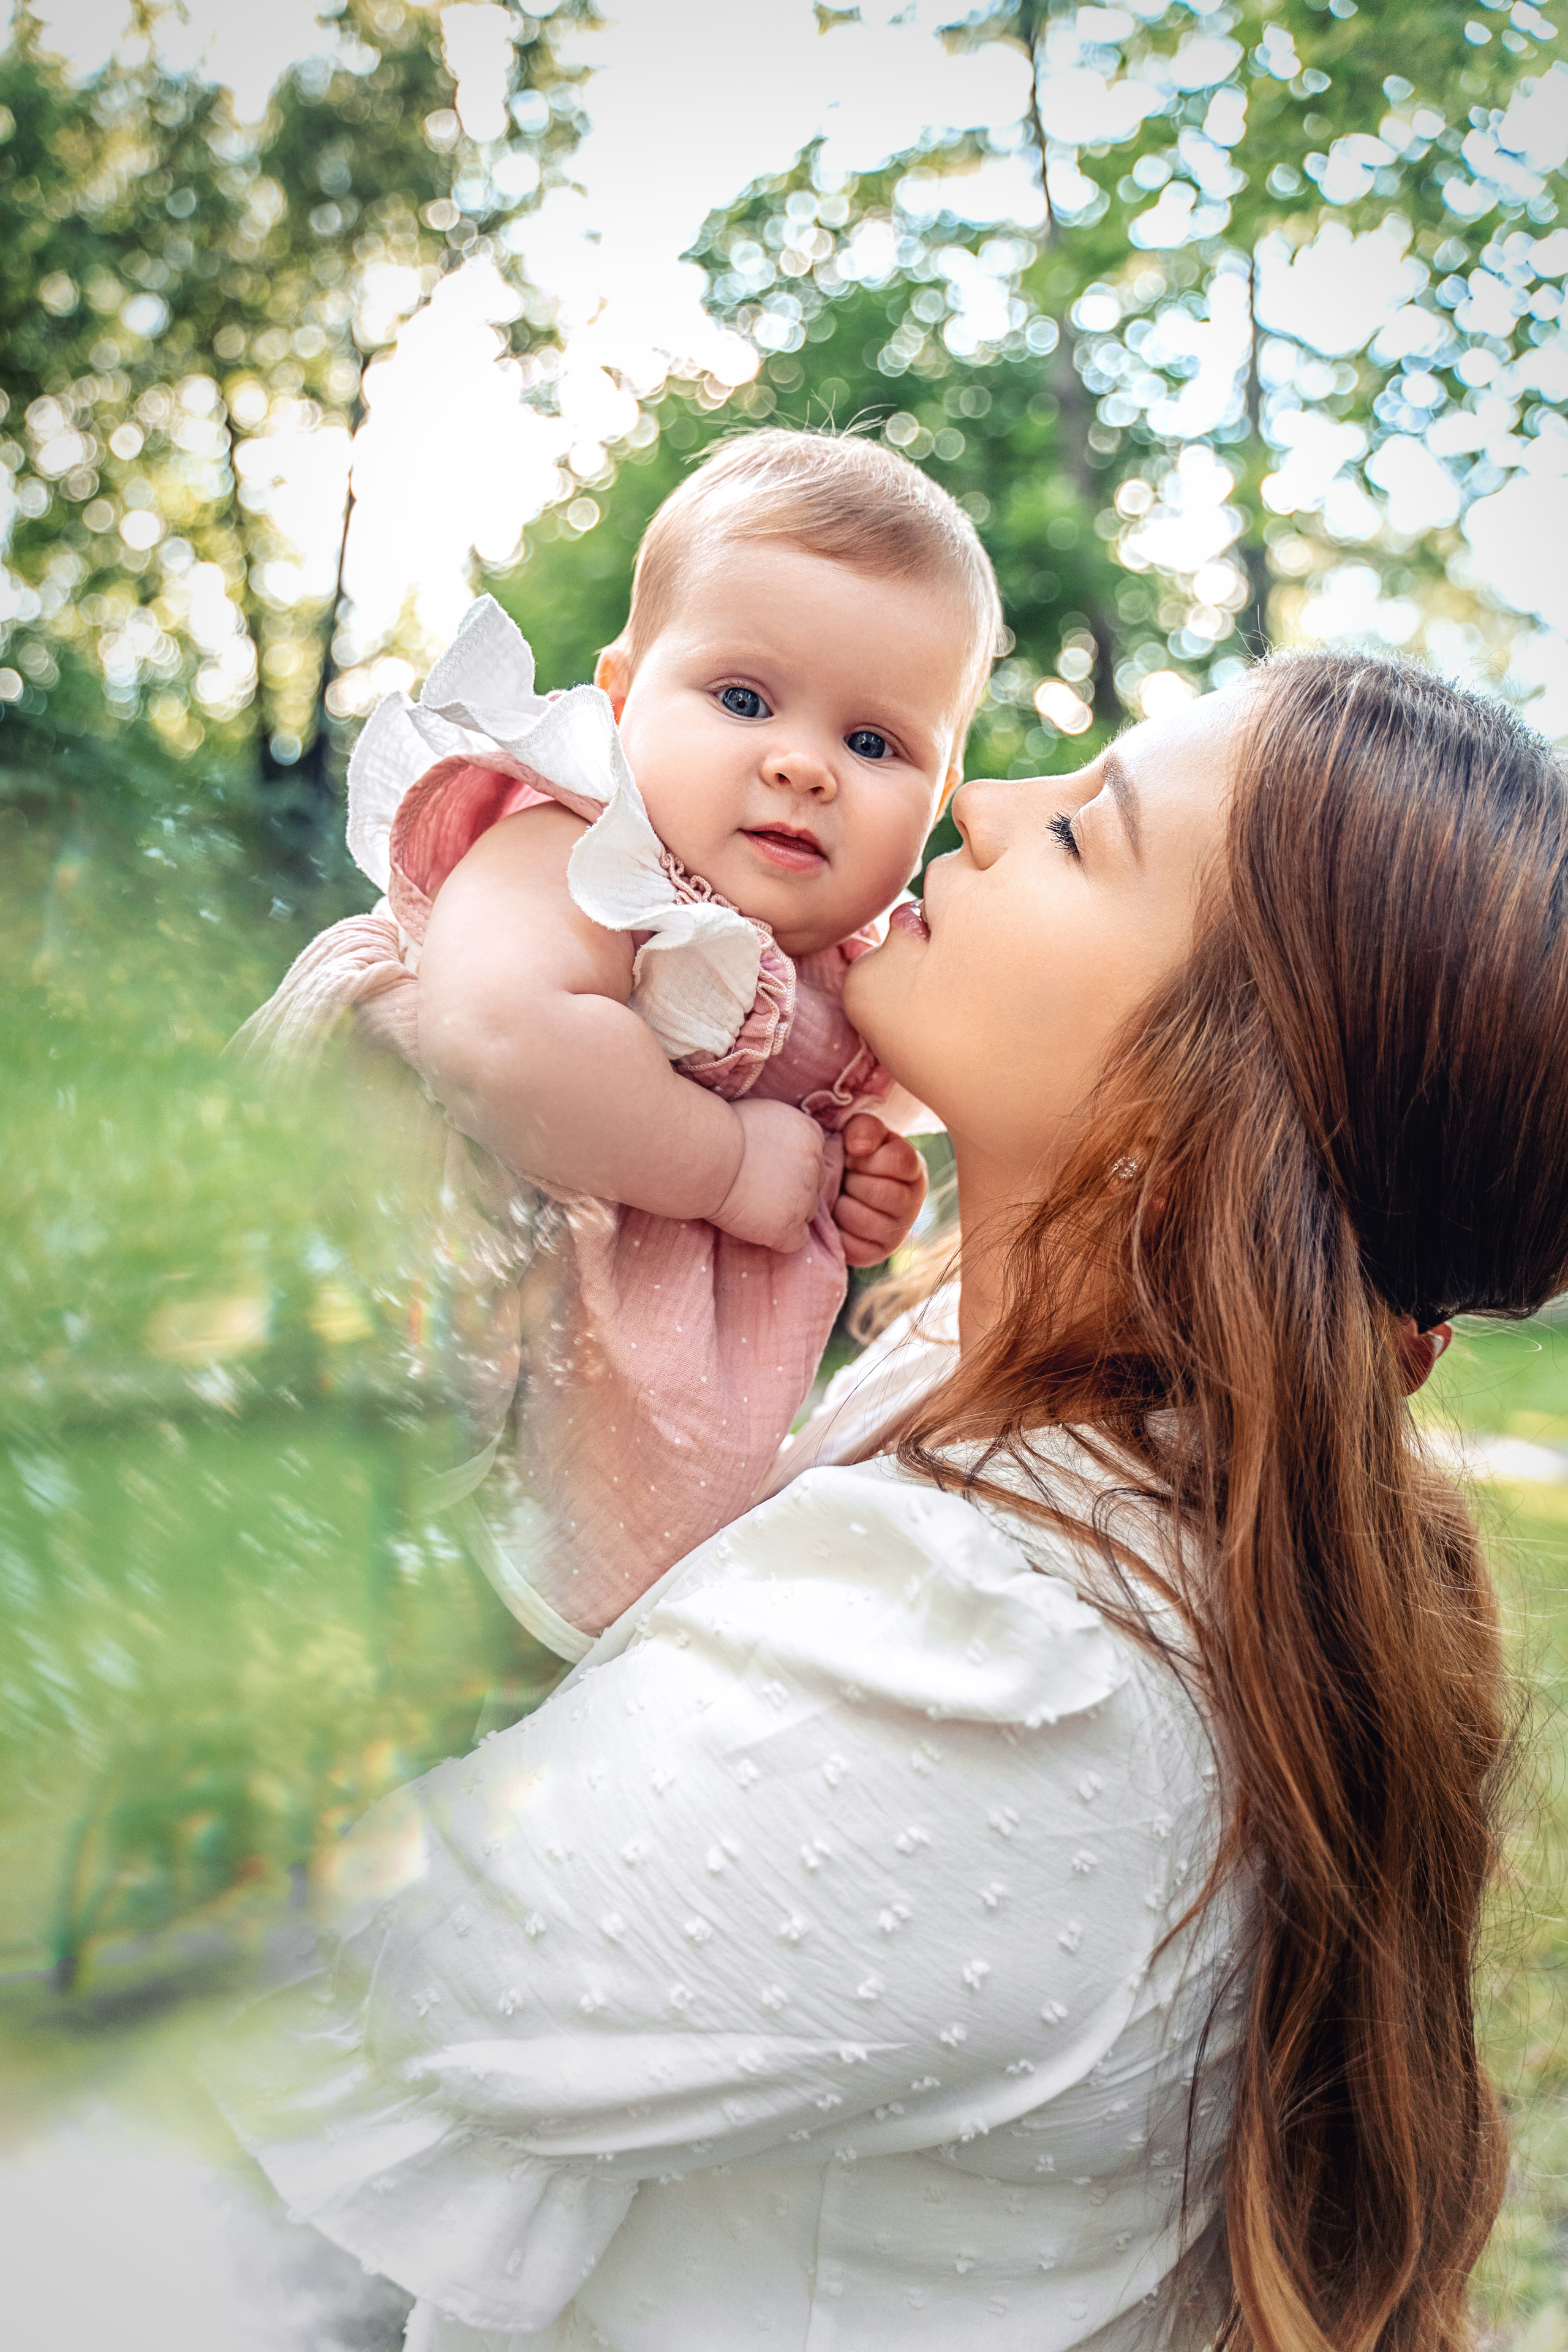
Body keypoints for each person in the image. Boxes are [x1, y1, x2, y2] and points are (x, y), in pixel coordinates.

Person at [213, 650, 1567, 2351]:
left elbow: (340, 1993)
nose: (982, 805)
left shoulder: (1008, 1674)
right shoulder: (1028, 1400)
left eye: (1086, 836)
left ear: (1189, 1122)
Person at [238, 431, 993, 1653]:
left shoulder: (854, 973)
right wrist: (735, 1166)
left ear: (944, 779)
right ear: (622, 699)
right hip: (408, 1294)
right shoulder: (581, 852)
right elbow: (497, 1040)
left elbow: (865, 1125)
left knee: (488, 1669)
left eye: (876, 745)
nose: (802, 765)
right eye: (743, 700)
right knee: (339, 1600)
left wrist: (861, 1188)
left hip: (581, 1370)